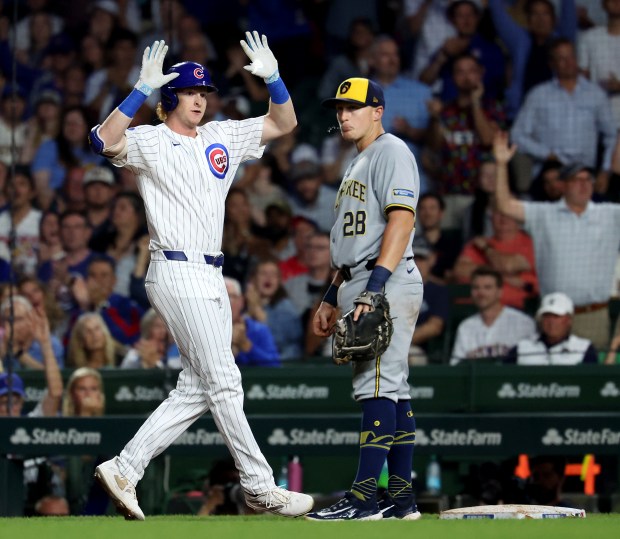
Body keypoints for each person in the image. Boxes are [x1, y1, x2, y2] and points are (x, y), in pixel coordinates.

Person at [88, 34, 314, 519]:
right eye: (190, 92)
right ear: (170, 98)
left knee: (196, 387)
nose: (198, 99)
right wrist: (139, 90)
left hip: (211, 272)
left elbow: (285, 121)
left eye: (204, 92)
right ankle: (259, 486)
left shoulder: (222, 136)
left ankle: (125, 468)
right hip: (174, 265)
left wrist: (273, 78)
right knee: (226, 381)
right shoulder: (151, 139)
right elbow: (102, 140)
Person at [308, 77, 422, 521]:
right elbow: (351, 240)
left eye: (354, 107)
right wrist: (332, 295)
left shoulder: (391, 150)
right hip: (362, 277)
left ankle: (362, 499)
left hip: (385, 277)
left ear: (378, 110)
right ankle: (400, 497)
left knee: (375, 384)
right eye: (339, 108)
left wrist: (374, 289)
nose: (343, 115)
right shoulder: (358, 162)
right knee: (393, 388)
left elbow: (400, 222)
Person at [494, 130, 620, 350]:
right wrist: (501, 164)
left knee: (594, 381)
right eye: (576, 180)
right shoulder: (544, 214)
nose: (584, 185)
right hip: (552, 316)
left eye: (587, 180)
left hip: (594, 314)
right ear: (564, 185)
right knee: (549, 378)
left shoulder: (610, 214)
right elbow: (505, 205)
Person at [510, 38, 617, 180]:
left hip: (584, 172)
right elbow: (517, 135)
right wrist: (547, 154)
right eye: (561, 58)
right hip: (550, 169)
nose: (568, 62)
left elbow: (611, 135)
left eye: (571, 56)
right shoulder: (538, 94)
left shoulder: (595, 94)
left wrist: (605, 170)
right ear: (552, 64)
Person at [452, 209, 538, 309]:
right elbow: (459, 271)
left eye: (509, 215)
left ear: (518, 218)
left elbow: (506, 266)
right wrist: (505, 277)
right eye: (498, 214)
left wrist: (486, 249)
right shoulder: (476, 244)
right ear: (491, 218)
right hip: (472, 309)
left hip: (514, 309)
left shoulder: (531, 245)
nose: (503, 219)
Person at [450, 266, 536, 365]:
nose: (481, 293)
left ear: (499, 292)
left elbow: (531, 364)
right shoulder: (465, 327)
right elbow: (456, 366)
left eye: (487, 287)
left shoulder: (523, 323)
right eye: (476, 288)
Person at [505, 292, 598, 365]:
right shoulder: (522, 347)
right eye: (547, 316)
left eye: (556, 316)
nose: (551, 321)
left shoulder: (584, 348)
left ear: (569, 320)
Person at [225, 276, 281, 367]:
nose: (226, 302)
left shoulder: (259, 329)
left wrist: (246, 345)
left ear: (241, 301)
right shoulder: (204, 330)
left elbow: (275, 367)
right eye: (220, 297)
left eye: (231, 297)